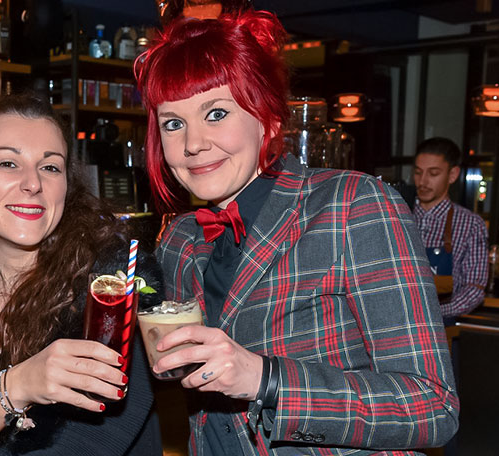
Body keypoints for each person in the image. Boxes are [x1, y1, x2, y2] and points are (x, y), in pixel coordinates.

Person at [135, 10, 459, 455]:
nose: (192, 143)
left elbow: (432, 407)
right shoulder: (180, 239)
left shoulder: (352, 205)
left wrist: (265, 378)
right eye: (174, 123)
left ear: (266, 119)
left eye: (215, 113)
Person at [0, 95, 163, 456]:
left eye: (50, 167)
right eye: (8, 163)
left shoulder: (115, 287)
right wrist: (20, 384)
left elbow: (85, 446)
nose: (32, 184)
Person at [413, 137, 488, 322]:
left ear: (453, 175)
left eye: (433, 173)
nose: (422, 181)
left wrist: (430, 313)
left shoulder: (471, 224)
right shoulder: (397, 217)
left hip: (442, 333)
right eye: (418, 172)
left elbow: (474, 290)